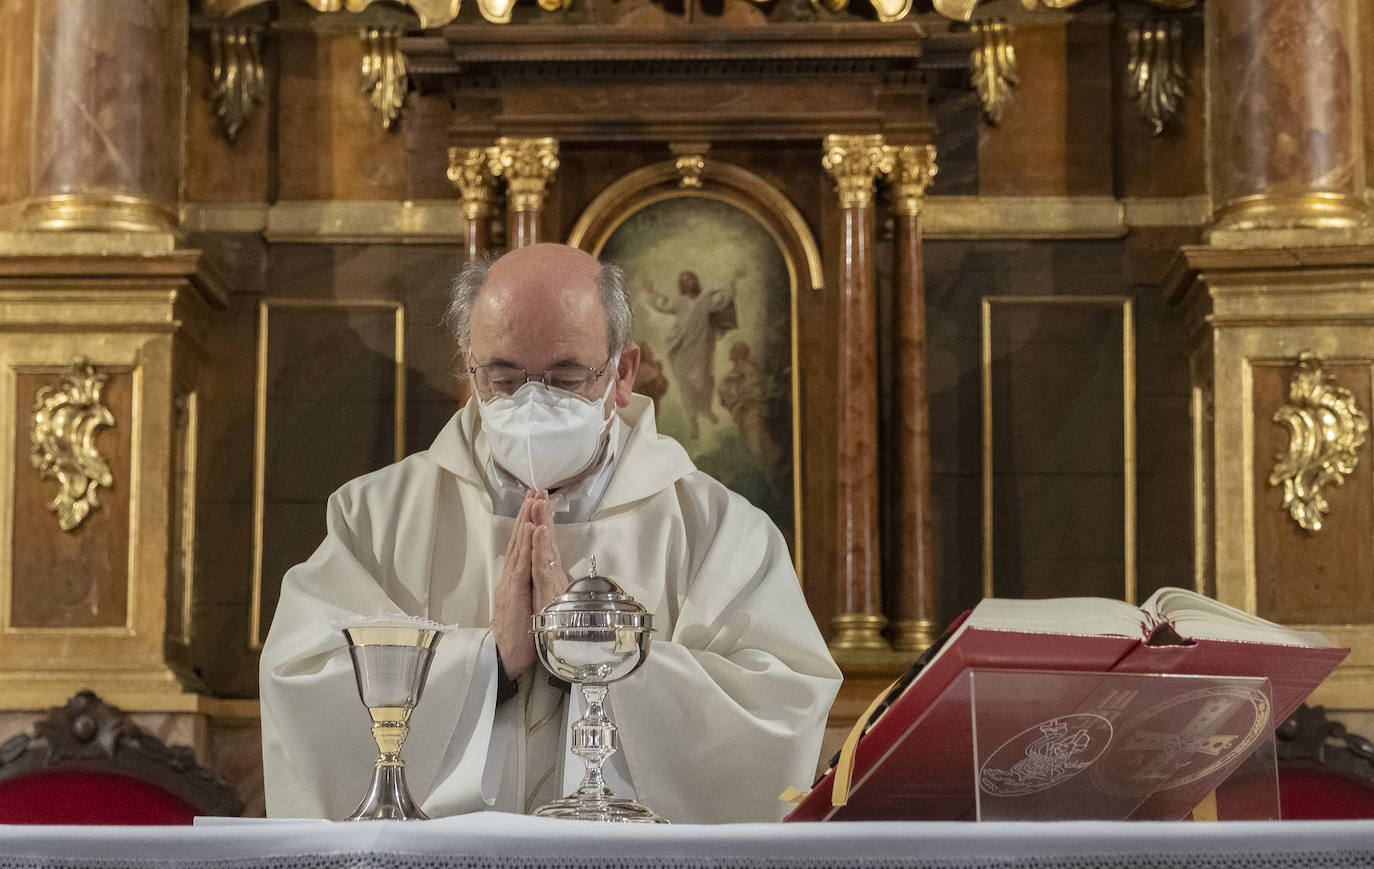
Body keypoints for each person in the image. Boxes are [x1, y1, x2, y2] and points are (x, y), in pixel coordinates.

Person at [259, 243, 841, 823]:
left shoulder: (719, 531)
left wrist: (592, 657)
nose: (533, 402)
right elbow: (303, 682)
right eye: (505, 376)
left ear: (623, 373)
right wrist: (489, 662)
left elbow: (777, 710)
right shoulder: (376, 517)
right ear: (469, 366)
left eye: (565, 377)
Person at [649, 268, 742, 439]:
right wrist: (652, 293)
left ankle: (706, 410)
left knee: (705, 380)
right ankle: (692, 421)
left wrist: (734, 280)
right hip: (683, 350)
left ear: (696, 281)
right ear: (681, 285)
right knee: (687, 386)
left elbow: (723, 299)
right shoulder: (680, 302)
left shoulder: (705, 300)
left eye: (691, 278)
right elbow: (663, 304)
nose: (688, 282)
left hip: (702, 348)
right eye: (685, 280)